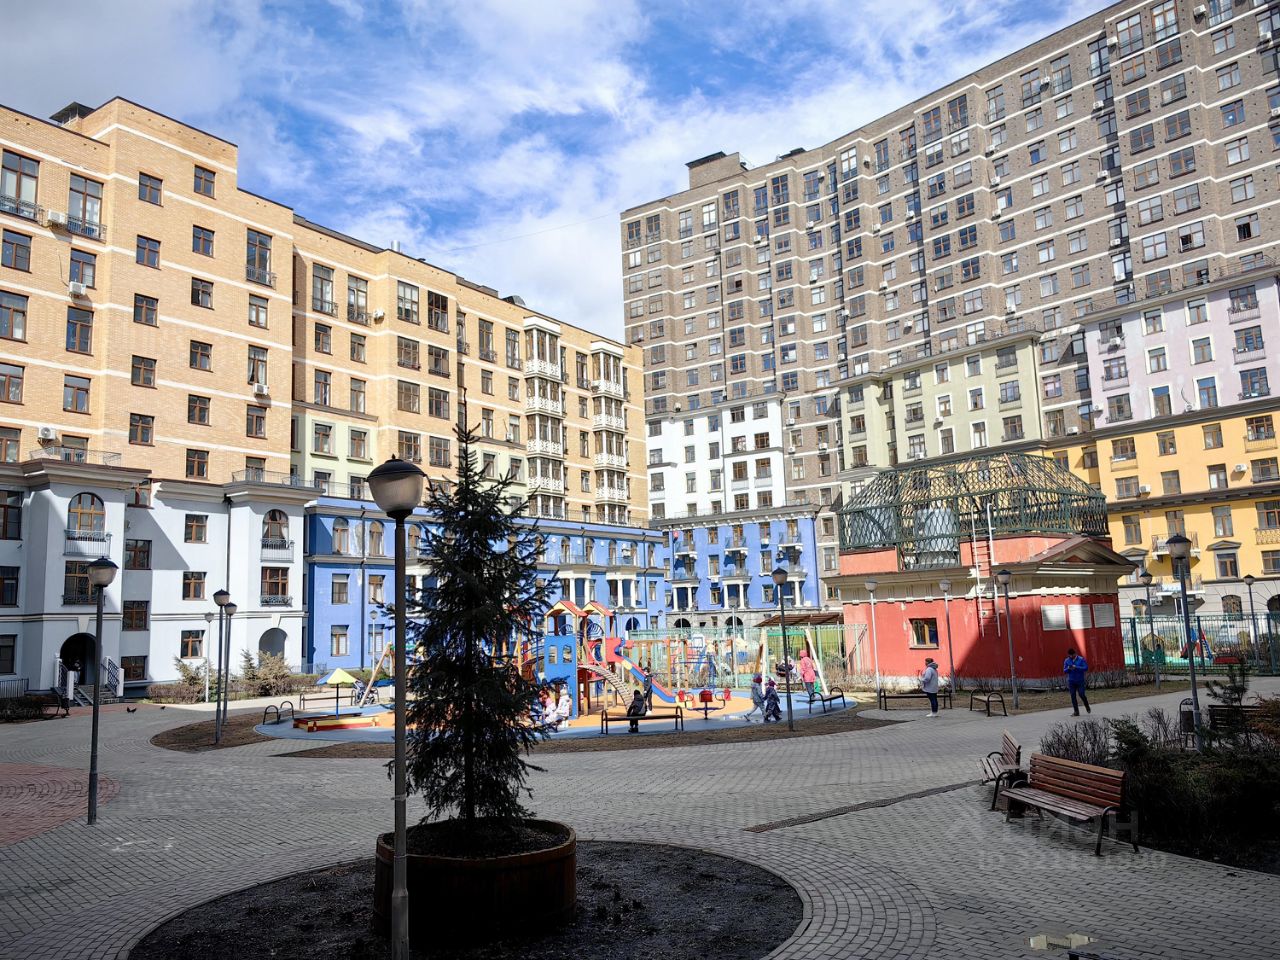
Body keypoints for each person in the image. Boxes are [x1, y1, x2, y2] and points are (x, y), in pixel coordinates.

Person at [1064, 648, 1091, 716]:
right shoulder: (1067, 660)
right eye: (1069, 655)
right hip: (1071, 681)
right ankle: (1076, 711)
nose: (1070, 657)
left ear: (1075, 654)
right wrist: (1068, 668)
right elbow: (1064, 670)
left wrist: (1076, 667)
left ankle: (1086, 705)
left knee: (1081, 694)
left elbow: (1085, 668)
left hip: (1080, 681)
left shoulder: (1081, 659)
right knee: (1073, 696)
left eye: (1072, 655)